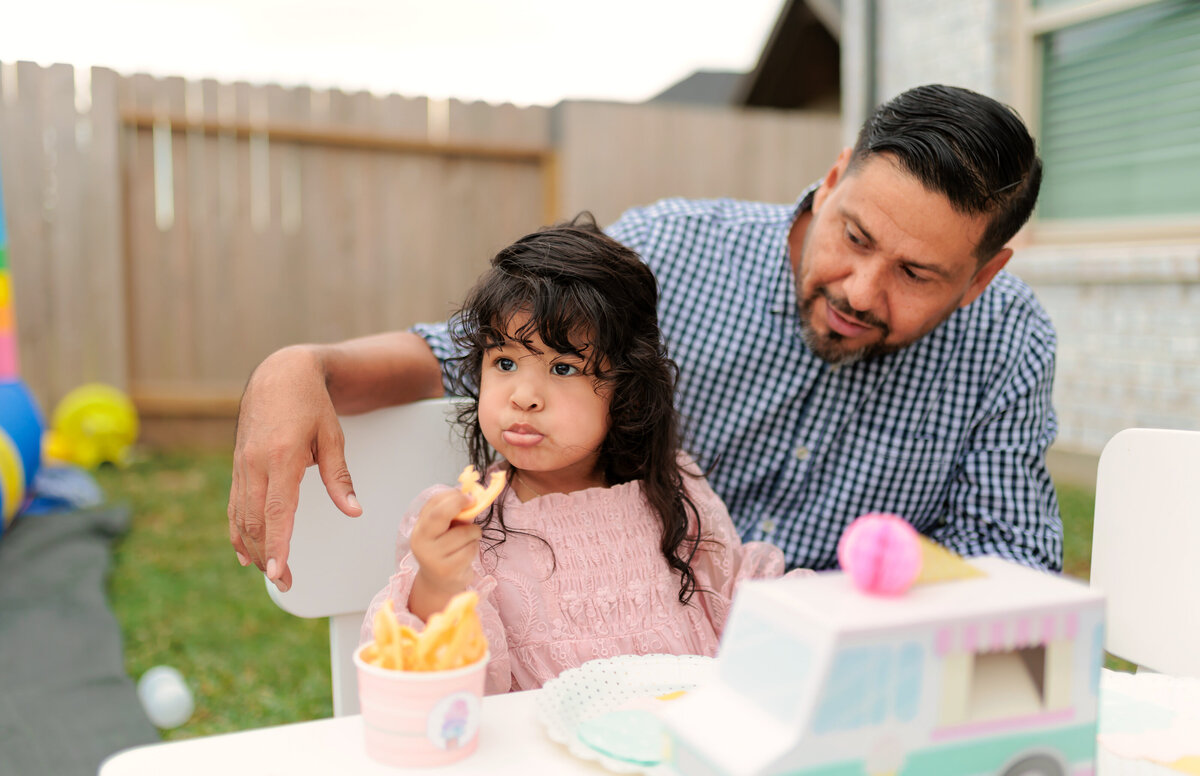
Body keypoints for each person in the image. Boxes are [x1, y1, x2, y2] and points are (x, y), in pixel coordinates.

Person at [229, 83, 1062, 592]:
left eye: (917, 276)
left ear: (983, 275)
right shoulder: (678, 250)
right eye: (855, 236)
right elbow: (461, 351)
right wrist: (304, 367)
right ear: (836, 176)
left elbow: (1012, 566)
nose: (861, 289)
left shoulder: (1010, 339)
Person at [362, 219, 790, 694]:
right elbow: (449, 698)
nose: (523, 396)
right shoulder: (464, 527)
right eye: (504, 362)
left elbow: (742, 612)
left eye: (563, 367)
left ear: (625, 391)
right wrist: (438, 584)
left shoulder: (675, 490)